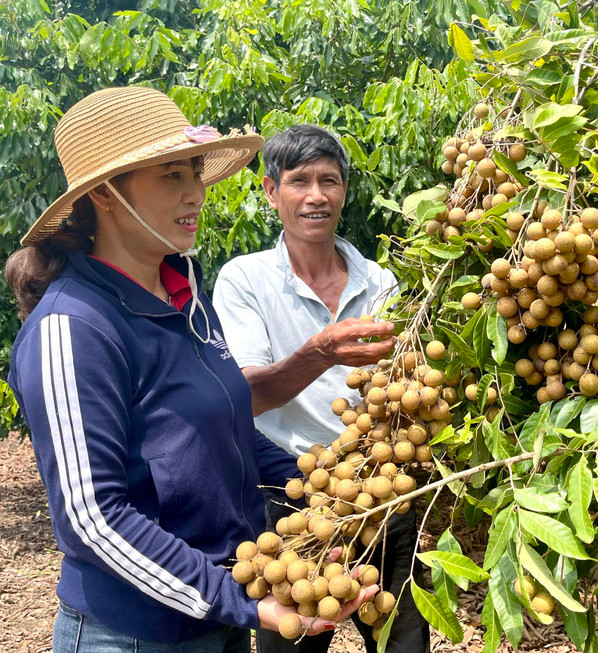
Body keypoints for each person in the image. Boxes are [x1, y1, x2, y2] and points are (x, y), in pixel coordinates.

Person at [4, 87, 376, 653]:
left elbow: (224, 432)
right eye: (170, 176)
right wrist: (239, 600)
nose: (196, 194)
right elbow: (92, 518)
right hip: (131, 634)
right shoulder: (72, 327)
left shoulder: (187, 299)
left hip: (217, 618)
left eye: (195, 173)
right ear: (105, 195)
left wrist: (324, 490)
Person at [212, 125, 429, 653]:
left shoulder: (381, 283)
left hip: (378, 490)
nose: (316, 195)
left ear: (344, 191)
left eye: (329, 181)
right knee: (292, 643)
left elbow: (402, 387)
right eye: (299, 181)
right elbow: (247, 393)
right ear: (270, 191)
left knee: (404, 641)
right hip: (286, 497)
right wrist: (321, 352)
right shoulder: (244, 280)